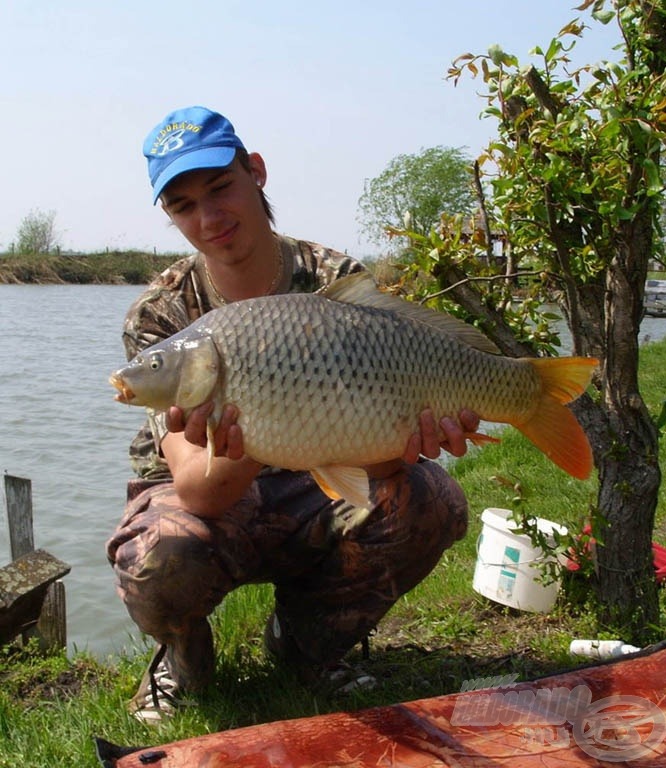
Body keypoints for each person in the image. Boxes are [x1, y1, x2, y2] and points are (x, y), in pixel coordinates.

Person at [106, 106, 476, 723]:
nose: (210, 217)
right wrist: (257, 426)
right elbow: (199, 493)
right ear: (170, 215)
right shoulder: (162, 315)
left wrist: (413, 438)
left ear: (256, 173)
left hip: (317, 482)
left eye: (221, 188)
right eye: (184, 205)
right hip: (203, 493)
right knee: (160, 557)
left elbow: (375, 458)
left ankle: (307, 642)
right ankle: (183, 658)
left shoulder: (334, 279)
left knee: (429, 498)